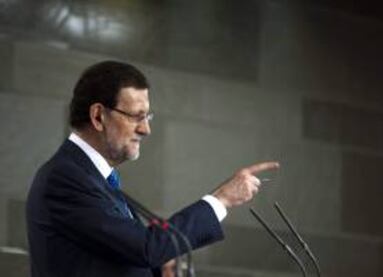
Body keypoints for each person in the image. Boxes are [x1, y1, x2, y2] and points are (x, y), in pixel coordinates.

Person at [26, 60, 279, 277]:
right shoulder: (66, 178)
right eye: (137, 116)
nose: (146, 129)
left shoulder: (95, 178)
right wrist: (222, 199)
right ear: (98, 116)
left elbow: (120, 254)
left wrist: (160, 269)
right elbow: (144, 248)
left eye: (148, 117)